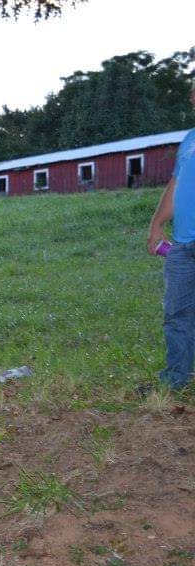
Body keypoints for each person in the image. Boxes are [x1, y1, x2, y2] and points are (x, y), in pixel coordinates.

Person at [147, 91, 195, 390]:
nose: (191, 97)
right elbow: (176, 184)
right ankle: (175, 379)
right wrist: (157, 224)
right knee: (176, 315)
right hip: (182, 245)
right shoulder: (190, 139)